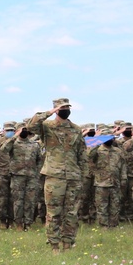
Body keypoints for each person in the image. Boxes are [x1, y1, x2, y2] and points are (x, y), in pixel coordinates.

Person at [26, 98, 87, 252]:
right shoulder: (47, 127)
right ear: (56, 109)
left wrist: (83, 175)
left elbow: (82, 153)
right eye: (62, 107)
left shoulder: (76, 129)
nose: (66, 109)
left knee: (71, 213)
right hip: (54, 176)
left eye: (68, 107)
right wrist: (49, 113)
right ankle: (54, 245)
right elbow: (31, 125)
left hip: (73, 176)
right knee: (53, 213)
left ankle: (68, 244)